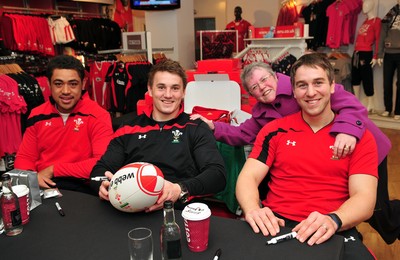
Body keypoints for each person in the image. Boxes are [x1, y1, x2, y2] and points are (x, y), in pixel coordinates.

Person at [191, 60, 400, 244]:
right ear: (250, 94)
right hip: (314, 158)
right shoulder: (264, 114)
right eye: (254, 87)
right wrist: (213, 126)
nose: (262, 87)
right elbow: (242, 134)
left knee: (378, 211)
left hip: (355, 144)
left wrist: (348, 131)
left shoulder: (305, 84)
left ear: (275, 76)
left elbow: (352, 107)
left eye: (264, 80)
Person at [236, 53, 378, 259]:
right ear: (293, 91)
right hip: (277, 223)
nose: (311, 92)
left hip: (334, 225)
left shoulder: (357, 138)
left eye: (318, 83)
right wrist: (252, 209)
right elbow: (248, 177)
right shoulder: (274, 130)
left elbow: (365, 198)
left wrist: (334, 219)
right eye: (302, 85)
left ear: (332, 85)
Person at [90, 59, 226, 212]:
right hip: (130, 212)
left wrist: (179, 189)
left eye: (175, 88)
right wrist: (102, 186)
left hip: (177, 212)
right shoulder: (128, 128)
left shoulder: (196, 127)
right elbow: (99, 171)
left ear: (184, 91)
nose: (168, 95)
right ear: (150, 89)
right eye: (161, 87)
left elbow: (217, 175)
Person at [14, 55, 114, 195]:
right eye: (58, 84)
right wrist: (33, 177)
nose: (66, 91)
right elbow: (24, 158)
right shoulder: (36, 115)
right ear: (49, 84)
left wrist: (54, 169)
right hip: (43, 187)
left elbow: (102, 163)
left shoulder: (98, 115)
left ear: (83, 83)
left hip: (83, 189)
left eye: (73, 84)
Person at [351, 0, 381, 112]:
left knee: (367, 77)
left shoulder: (376, 21)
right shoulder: (365, 21)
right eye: (364, 3)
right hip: (356, 52)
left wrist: (376, 55)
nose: (364, 6)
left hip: (366, 53)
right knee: (355, 77)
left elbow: (378, 39)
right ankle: (356, 101)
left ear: (372, 5)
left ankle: (371, 103)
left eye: (367, 4)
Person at [378, 0, 400, 119]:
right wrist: (380, 54)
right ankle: (388, 108)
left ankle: (398, 111)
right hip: (389, 52)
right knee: (387, 83)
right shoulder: (391, 12)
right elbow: (382, 33)